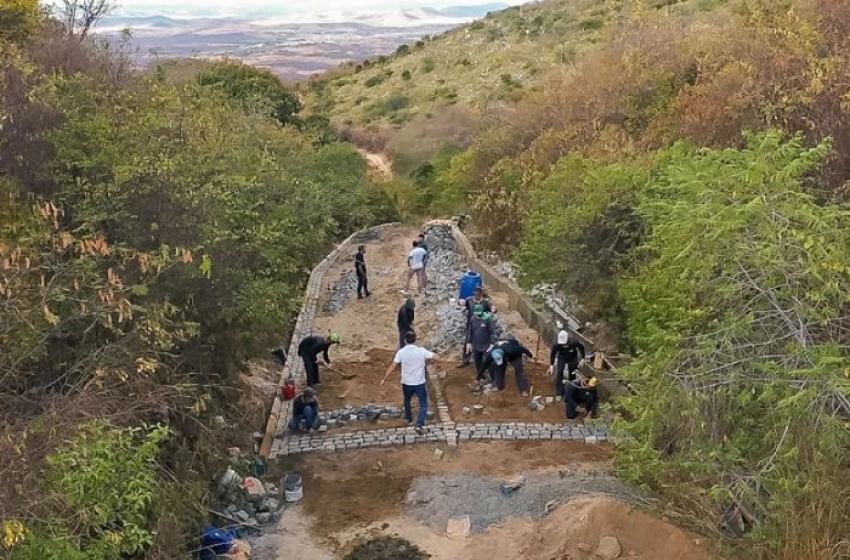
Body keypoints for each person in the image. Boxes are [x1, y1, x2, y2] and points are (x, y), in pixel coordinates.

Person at [381, 331, 434, 435]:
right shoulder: (421, 351)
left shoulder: (401, 352)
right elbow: (435, 356)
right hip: (419, 383)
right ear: (415, 339)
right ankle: (419, 424)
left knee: (407, 400)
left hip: (406, 382)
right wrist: (427, 362)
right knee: (423, 404)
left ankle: (408, 418)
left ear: (405, 340)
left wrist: (384, 378)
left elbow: (393, 366)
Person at [457, 286, 493, 366]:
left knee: (481, 342)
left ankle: (483, 360)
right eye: (475, 294)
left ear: (481, 294)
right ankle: (466, 360)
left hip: (482, 325)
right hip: (471, 325)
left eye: (478, 294)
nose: (476, 296)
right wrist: (460, 302)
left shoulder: (485, 303)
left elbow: (491, 309)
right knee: (468, 342)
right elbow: (462, 303)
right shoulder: (469, 300)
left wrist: (494, 309)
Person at [548, 329, 586, 399]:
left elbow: (581, 347)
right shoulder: (557, 344)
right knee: (560, 372)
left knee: (572, 374)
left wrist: (583, 359)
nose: (563, 345)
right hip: (562, 357)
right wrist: (551, 365)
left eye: (564, 343)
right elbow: (553, 354)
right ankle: (559, 392)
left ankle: (571, 391)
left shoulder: (574, 341)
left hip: (572, 357)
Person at [466, 304, 496, 382]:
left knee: (488, 362)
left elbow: (492, 332)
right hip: (476, 344)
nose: (477, 316)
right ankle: (481, 376)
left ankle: (494, 379)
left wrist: (492, 343)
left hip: (486, 345)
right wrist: (468, 342)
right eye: (476, 314)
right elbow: (470, 330)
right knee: (477, 362)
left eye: (479, 314)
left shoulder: (488, 319)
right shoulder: (473, 319)